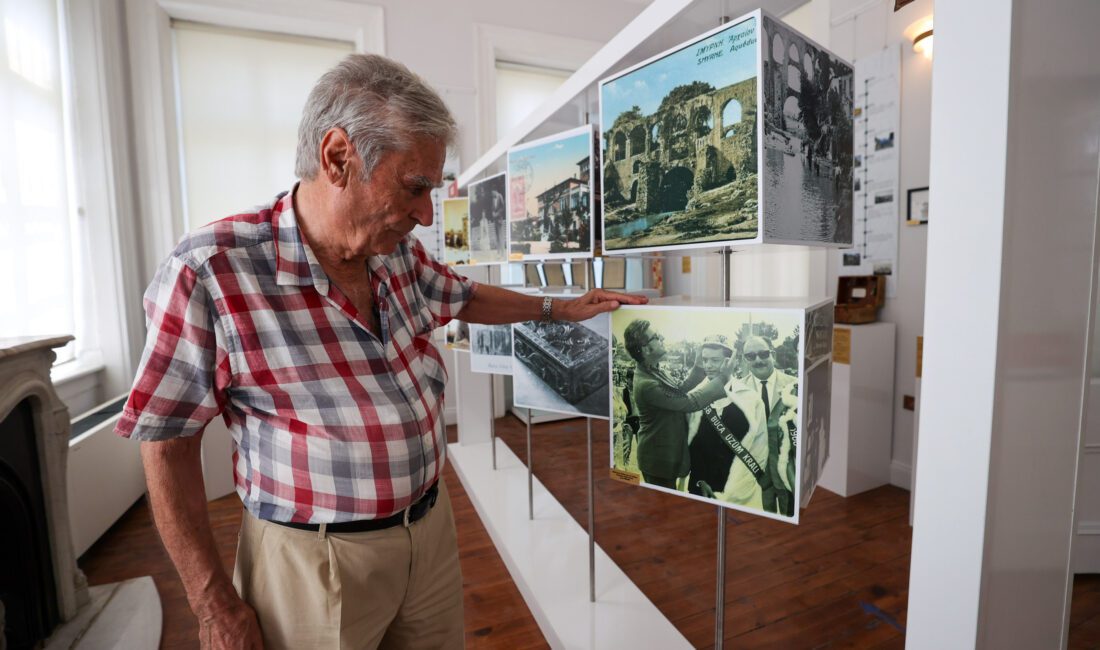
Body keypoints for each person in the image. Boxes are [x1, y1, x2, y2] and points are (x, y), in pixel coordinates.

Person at [115, 53, 645, 650]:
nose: (425, 215)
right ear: (339, 157)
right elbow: (165, 445)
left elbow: (464, 296)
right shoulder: (211, 273)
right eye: (414, 186)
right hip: (315, 564)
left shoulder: (394, 252)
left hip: (430, 528)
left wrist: (557, 307)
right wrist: (212, 605)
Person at [621, 320, 731, 490]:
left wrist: (699, 365)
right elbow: (689, 402)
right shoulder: (647, 384)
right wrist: (722, 378)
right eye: (656, 337)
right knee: (663, 509)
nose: (662, 337)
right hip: (658, 462)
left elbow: (679, 390)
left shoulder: (653, 369)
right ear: (646, 349)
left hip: (666, 456)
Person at [685, 336, 770, 507]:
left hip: (741, 490)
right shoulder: (692, 398)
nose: (708, 365)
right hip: (700, 486)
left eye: (715, 360)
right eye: (705, 360)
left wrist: (739, 487)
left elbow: (760, 447)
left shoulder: (750, 398)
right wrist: (699, 480)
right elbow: (690, 444)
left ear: (731, 362)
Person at [740, 336, 797, 515]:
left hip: (788, 466)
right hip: (756, 470)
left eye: (763, 354)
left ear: (772, 354)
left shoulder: (794, 385)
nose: (758, 360)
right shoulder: (737, 390)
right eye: (751, 356)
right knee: (763, 518)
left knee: (790, 512)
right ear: (745, 359)